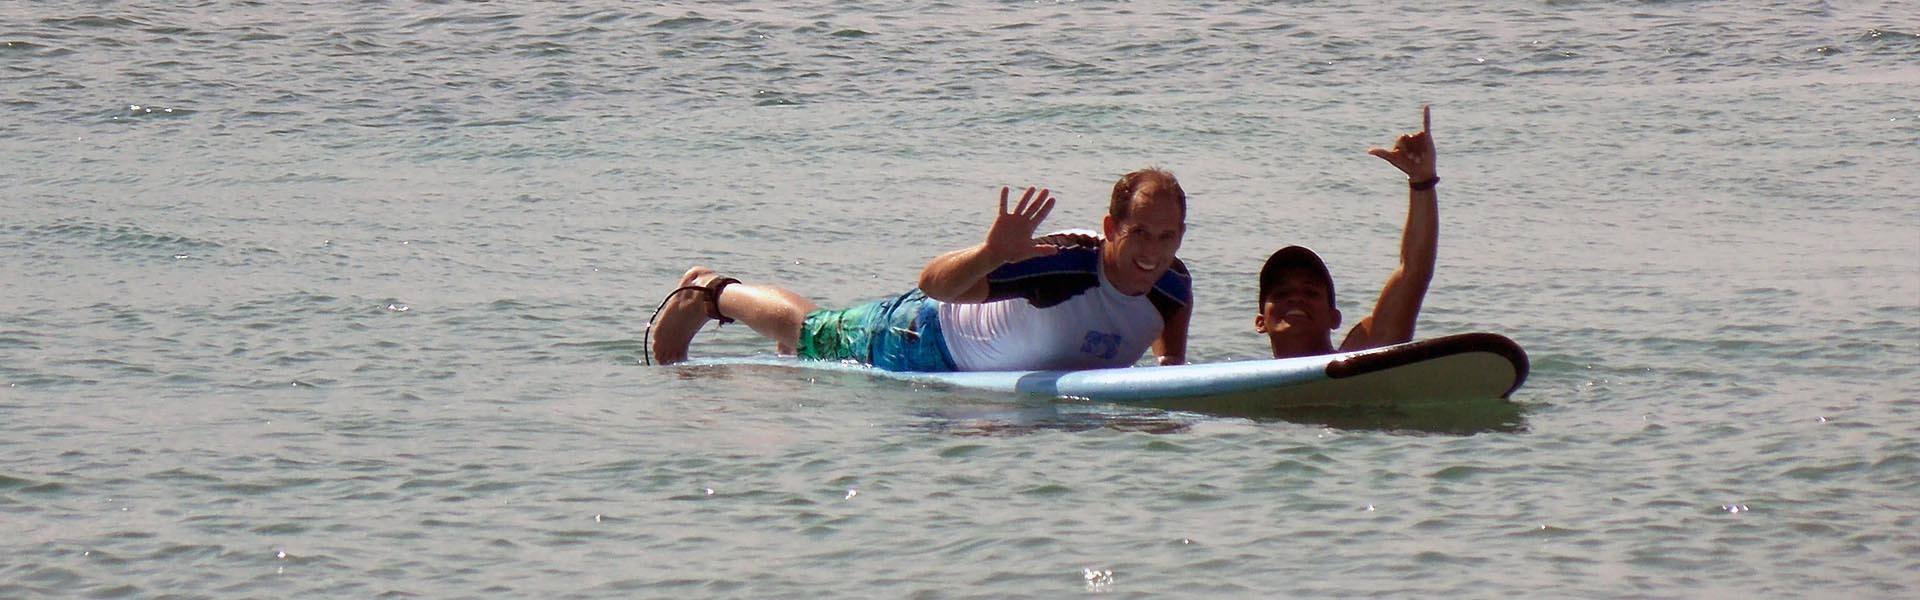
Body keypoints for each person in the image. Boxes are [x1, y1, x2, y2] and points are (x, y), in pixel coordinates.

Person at [648, 168, 1193, 371]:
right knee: (813, 332)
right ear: (1110, 226)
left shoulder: (1174, 288)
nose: (1152, 251)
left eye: (1166, 237)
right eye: (1138, 233)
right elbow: (935, 282)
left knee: (809, 341)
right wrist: (991, 253)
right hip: (924, 337)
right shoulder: (1061, 265)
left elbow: (1169, 356)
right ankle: (711, 290)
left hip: (973, 379)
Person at [1256, 105, 1439, 358]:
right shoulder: (1244, 384)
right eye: (1281, 293)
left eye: (1310, 292)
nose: (1296, 299)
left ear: (1334, 317)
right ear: (1260, 322)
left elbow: (1413, 272)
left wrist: (1422, 182)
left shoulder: (1363, 357)